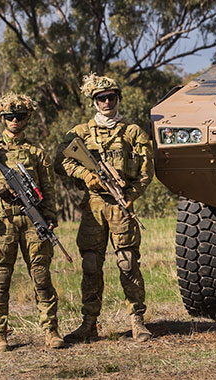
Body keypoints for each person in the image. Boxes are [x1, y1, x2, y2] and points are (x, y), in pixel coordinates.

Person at [0, 93, 65, 353]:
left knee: (41, 276)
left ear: (27, 118)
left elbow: (49, 190)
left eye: (20, 116)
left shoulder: (36, 153)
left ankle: (51, 329)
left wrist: (50, 218)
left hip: (33, 221)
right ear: (2, 118)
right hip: (2, 224)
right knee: (1, 279)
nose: (14, 121)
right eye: (9, 117)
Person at [61, 74, 154, 343]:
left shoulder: (133, 132)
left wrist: (131, 196)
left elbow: (146, 172)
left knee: (127, 263)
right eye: (101, 98)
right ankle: (89, 323)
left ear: (118, 98)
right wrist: (86, 175)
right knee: (91, 264)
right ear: (94, 102)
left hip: (121, 206)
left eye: (111, 97)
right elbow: (62, 161)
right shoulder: (80, 132)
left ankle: (137, 321)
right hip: (93, 207)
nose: (106, 102)